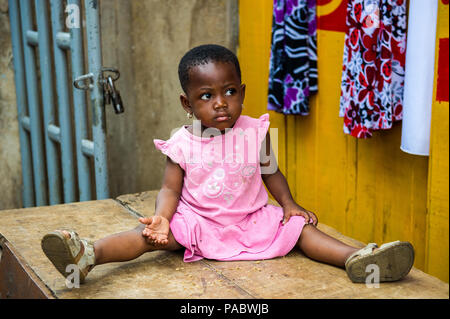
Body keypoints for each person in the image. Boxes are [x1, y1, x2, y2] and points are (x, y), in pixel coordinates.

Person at [41, 44, 414, 285]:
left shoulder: (255, 130)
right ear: (188, 104)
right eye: (207, 96)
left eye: (230, 91)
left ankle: (359, 259)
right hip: (198, 222)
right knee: (149, 239)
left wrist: (288, 205)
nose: (221, 103)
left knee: (299, 228)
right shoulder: (183, 142)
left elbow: (271, 172)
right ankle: (89, 253)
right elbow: (171, 188)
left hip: (252, 219)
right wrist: (163, 218)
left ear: (242, 92)